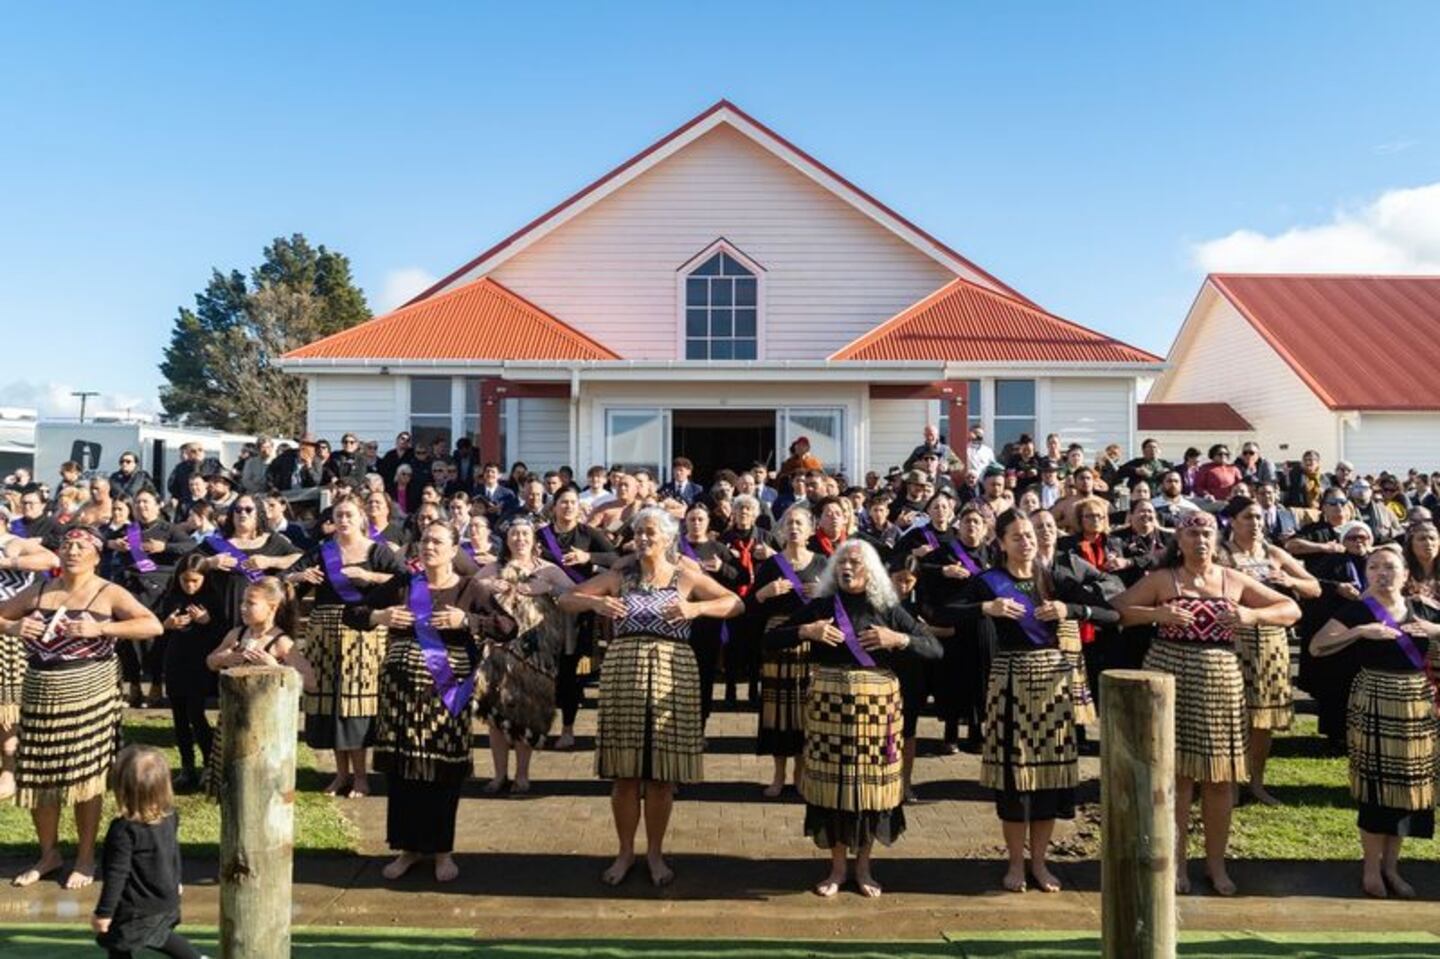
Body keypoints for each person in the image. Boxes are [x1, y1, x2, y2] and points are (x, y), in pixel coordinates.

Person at [1113, 510, 1300, 895]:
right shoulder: (1164, 579)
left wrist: (1251, 614)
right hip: (1170, 675)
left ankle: (1216, 865)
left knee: (1219, 779)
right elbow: (1115, 611)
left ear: (1217, 539)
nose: (1200, 540)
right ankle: (1176, 864)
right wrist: (1156, 613)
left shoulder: (1233, 578)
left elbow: (1291, 608)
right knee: (1178, 777)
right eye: (1192, 533)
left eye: (1207, 533)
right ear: (1178, 540)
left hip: (1220, 679)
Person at [558, 507, 743, 887]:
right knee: (625, 774)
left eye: (650, 533)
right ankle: (625, 852)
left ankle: (655, 853)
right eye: (638, 533)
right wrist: (595, 603)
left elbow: (735, 603)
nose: (643, 539)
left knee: (660, 776)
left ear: (667, 538)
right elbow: (566, 599)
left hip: (672, 672)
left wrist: (697, 608)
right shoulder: (618, 575)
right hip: (624, 673)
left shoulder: (685, 575)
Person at [769, 539, 940, 897]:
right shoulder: (822, 606)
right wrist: (805, 631)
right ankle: (836, 868)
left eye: (857, 564)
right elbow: (770, 639)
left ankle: (863, 868)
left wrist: (899, 639)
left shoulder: (888, 607)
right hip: (829, 708)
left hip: (877, 710)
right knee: (833, 788)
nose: (849, 569)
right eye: (843, 563)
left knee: (870, 791)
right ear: (834, 569)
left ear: (871, 570)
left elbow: (934, 649)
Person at [1, 526, 164, 890]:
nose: (72, 550)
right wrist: (12, 627)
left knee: (84, 777)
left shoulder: (109, 592)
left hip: (89, 691)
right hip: (41, 690)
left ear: (96, 554)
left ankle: (86, 857)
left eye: (80, 545)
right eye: (66, 544)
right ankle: (48, 854)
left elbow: (151, 625)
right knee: (39, 776)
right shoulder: (40, 589)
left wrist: (102, 631)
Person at [969, 509, 1116, 893]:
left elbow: (1110, 611)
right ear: (1001, 542)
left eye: (1030, 535)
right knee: (1015, 779)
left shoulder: (1055, 577)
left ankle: (1040, 862)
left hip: (1053, 683)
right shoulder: (989, 582)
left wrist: (1073, 610)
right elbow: (938, 610)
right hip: (1010, 681)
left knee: (1049, 779)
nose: (1026, 542)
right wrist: (986, 608)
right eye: (1017, 536)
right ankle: (1015, 863)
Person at [349, 522, 502, 883]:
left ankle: (442, 852)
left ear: (453, 549)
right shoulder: (404, 585)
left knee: (441, 774)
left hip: (447, 696)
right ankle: (408, 849)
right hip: (401, 698)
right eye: (424, 540)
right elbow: (351, 613)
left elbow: (506, 626)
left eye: (438, 541)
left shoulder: (469, 588)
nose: (429, 546)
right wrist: (379, 616)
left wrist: (468, 620)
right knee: (404, 773)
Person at [1309, 544, 1438, 899]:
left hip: (1416, 706)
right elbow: (1317, 646)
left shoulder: (1425, 610)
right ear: (1366, 574)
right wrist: (1360, 633)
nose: (1382, 573)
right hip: (1375, 699)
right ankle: (1370, 871)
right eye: (1374, 567)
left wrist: (1434, 630)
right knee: (1376, 788)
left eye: (1390, 567)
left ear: (1405, 574)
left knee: (1407, 789)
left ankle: (1392, 868)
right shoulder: (1358, 610)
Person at [287, 497, 407, 799]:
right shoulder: (322, 552)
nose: (343, 520)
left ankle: (362, 778)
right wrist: (298, 577)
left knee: (357, 706)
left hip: (364, 636)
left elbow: (406, 582)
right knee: (331, 706)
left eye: (349, 515)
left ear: (362, 518)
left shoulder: (378, 551)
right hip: (324, 636)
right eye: (338, 515)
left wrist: (369, 577)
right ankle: (341, 775)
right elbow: (285, 582)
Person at [1220, 497, 1321, 805]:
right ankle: (1229, 782)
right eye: (1249, 517)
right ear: (1233, 521)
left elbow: (1315, 587)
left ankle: (1257, 782)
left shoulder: (1273, 552)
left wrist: (1289, 579)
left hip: (1272, 640)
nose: (1256, 523)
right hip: (1232, 638)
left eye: (1260, 518)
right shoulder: (1220, 554)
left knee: (1263, 719)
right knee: (1231, 715)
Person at [474, 519, 575, 792]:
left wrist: (550, 589)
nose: (519, 538)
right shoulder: (494, 568)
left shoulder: (548, 570)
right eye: (514, 534)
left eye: (525, 534)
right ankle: (499, 775)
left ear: (534, 540)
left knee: (527, 714)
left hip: (535, 653)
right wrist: (486, 587)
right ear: (506, 540)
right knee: (495, 714)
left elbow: (576, 593)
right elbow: (469, 591)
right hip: (498, 651)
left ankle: (522, 775)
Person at [91, 746, 202, 959]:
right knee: (153, 936)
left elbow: (117, 875)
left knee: (125, 939)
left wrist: (104, 912)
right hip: (166, 899)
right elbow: (172, 852)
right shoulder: (169, 816)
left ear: (122, 789)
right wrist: (177, 881)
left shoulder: (124, 830)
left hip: (136, 907)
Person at [535, 487, 618, 749]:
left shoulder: (588, 534)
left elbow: (616, 558)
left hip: (575, 613)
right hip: (542, 610)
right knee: (542, 671)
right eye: (563, 502)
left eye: (573, 502)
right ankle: (540, 726)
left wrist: (588, 557)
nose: (568, 507)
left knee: (569, 672)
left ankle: (567, 728)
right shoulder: (539, 535)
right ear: (554, 506)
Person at [751, 506, 825, 797]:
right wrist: (765, 592)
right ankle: (779, 775)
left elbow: (838, 606)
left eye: (799, 523)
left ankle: (801, 774)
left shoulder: (822, 563)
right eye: (789, 523)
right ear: (781, 531)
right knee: (777, 712)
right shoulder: (771, 565)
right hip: (778, 641)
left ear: (810, 531)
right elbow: (752, 606)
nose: (793, 528)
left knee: (806, 709)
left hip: (811, 642)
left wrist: (823, 594)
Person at [156, 555, 226, 792]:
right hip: (175, 659)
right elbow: (158, 629)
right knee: (178, 716)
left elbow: (223, 633)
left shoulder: (212, 599)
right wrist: (167, 624)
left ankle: (209, 762)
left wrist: (207, 621)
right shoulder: (173, 596)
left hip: (199, 662)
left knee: (195, 713)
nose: (190, 586)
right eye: (185, 581)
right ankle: (187, 767)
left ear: (205, 579)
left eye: (195, 581)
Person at [0, 524, 59, 801]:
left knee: (7, 708)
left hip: (8, 632)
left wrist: (7, 561)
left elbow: (50, 560)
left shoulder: (12, 541)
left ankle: (9, 770)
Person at [675, 503, 741, 728]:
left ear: (708, 522)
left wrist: (722, 567)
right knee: (678, 674)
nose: (696, 523)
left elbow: (740, 578)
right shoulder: (674, 548)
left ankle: (700, 724)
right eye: (692, 519)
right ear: (685, 521)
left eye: (700, 519)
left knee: (704, 673)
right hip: (678, 619)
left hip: (708, 620)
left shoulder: (718, 548)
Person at [195, 493, 301, 628]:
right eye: (238, 510)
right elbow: (187, 563)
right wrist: (209, 562)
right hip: (221, 619)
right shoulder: (216, 543)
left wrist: (270, 561)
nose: (242, 513)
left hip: (261, 620)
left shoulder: (272, 540)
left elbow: (299, 558)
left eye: (249, 510)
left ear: (259, 514)